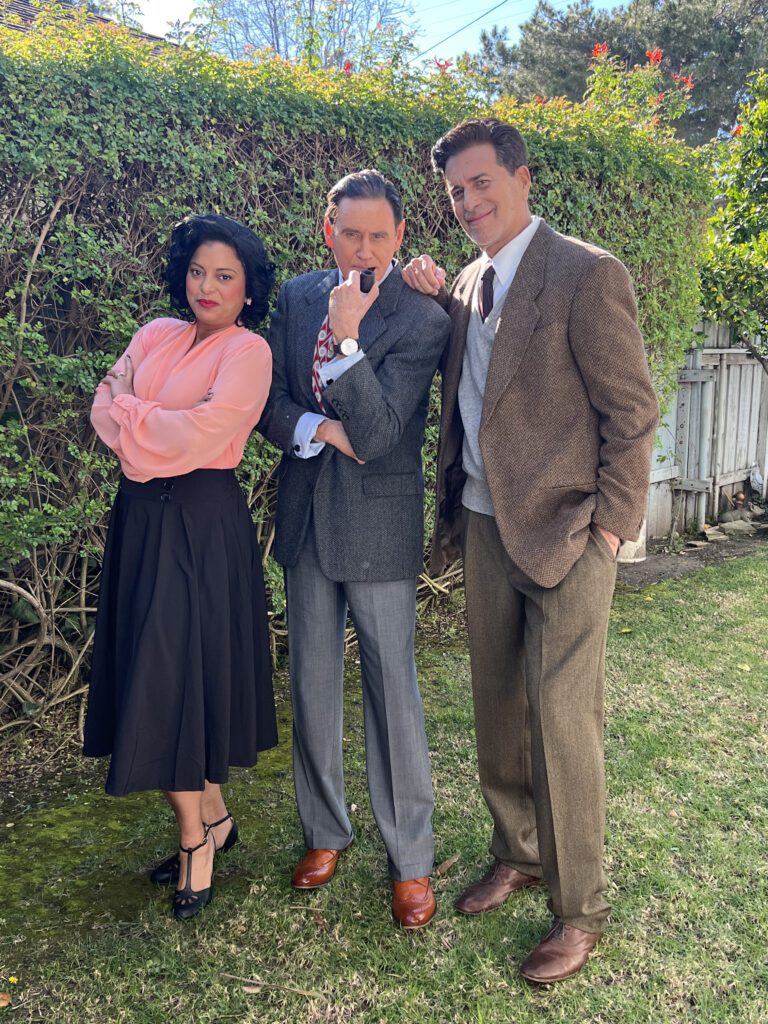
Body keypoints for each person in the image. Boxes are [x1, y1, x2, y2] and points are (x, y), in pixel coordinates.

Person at [402, 119, 659, 980]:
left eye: (481, 182)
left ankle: (579, 909)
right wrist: (432, 292)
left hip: (569, 531)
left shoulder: (586, 273)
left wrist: (611, 527)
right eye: (455, 191)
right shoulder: (470, 281)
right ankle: (518, 852)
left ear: (521, 177)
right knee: (497, 702)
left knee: (562, 719)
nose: (468, 201)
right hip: (483, 522)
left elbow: (632, 411)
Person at [258, 169, 450, 929]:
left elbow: (378, 433)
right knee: (311, 681)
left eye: (378, 235)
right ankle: (325, 831)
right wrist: (315, 429)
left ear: (400, 235)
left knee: (391, 690)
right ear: (326, 230)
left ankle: (410, 857)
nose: (363, 249)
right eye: (349, 233)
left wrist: (345, 337)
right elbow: (270, 400)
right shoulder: (297, 295)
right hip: (306, 517)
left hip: (379, 526)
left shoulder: (423, 316)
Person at [84, 214, 278, 921]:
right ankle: (216, 819)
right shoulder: (154, 334)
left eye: (224, 276)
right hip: (140, 523)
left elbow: (202, 434)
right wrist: (148, 422)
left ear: (248, 289)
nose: (207, 287)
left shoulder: (248, 352)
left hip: (201, 526)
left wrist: (133, 412)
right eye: (197, 271)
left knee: (174, 675)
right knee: (162, 665)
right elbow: (101, 410)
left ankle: (195, 840)